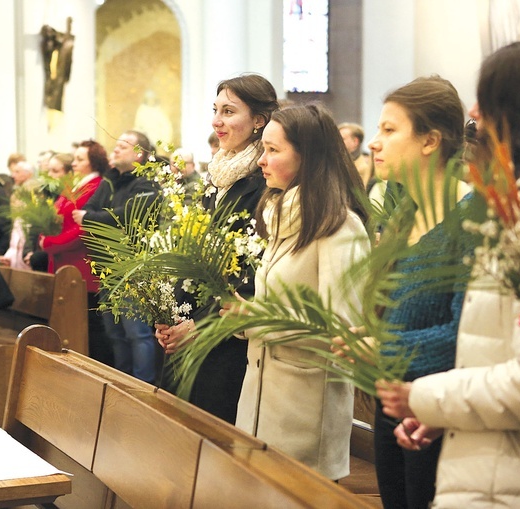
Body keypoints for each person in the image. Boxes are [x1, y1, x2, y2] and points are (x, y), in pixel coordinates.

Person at [377, 35, 520, 507]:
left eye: (490, 102)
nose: (475, 117)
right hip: (482, 452)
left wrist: (424, 396)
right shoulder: (519, 214)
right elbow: (490, 345)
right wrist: (439, 412)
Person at [229, 103, 369, 479]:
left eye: (273, 150)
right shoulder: (281, 217)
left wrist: (257, 320)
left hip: (305, 415)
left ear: (309, 157)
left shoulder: (340, 227)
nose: (261, 160)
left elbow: (341, 332)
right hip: (259, 403)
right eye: (264, 148)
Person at [358, 75, 468, 509]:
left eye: (389, 130)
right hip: (392, 403)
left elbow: (463, 333)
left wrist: (383, 346)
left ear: (429, 141)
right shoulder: (403, 216)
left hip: (438, 412)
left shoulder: (466, 222)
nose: (374, 143)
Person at [156, 74, 277, 423]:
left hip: (225, 339)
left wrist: (198, 325)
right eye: (215, 110)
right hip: (187, 329)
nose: (216, 121)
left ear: (259, 121)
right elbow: (193, 252)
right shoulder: (216, 177)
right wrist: (170, 314)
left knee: (212, 441)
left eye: (228, 111)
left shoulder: (264, 183)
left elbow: (252, 271)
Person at [73, 130, 160, 383]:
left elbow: (126, 217)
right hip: (107, 267)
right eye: (117, 144)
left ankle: (143, 388)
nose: (117, 148)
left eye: (124, 144)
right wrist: (95, 217)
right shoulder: (110, 180)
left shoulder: (147, 181)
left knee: (137, 334)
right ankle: (123, 384)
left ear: (140, 153)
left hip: (132, 268)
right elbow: (88, 208)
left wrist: (92, 219)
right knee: (115, 332)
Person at [39, 140, 114, 366]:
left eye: (80, 159)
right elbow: (57, 214)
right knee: (69, 321)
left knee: (88, 326)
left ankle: (94, 369)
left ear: (94, 162)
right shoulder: (77, 184)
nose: (74, 163)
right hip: (64, 261)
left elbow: (82, 229)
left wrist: (51, 242)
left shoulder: (97, 186)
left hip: (80, 265)